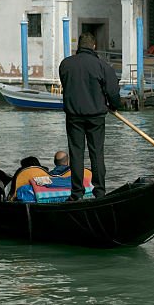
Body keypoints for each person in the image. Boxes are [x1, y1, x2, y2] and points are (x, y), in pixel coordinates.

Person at [59, 32, 121, 200]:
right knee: (96, 154)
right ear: (94, 46)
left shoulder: (65, 64)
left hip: (74, 117)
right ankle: (100, 193)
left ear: (78, 46)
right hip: (96, 117)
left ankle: (76, 194)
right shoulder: (102, 66)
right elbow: (113, 92)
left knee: (76, 155)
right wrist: (114, 106)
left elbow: (67, 85)